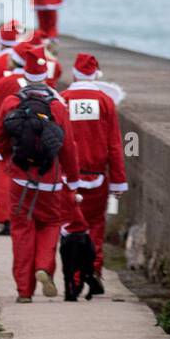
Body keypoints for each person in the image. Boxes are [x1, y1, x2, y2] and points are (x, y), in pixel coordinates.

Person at [0, 44, 81, 302]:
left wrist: (10, 158)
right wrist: (73, 180)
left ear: (24, 74)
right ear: (47, 74)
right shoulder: (58, 106)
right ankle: (44, 266)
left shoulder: (11, 102)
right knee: (51, 224)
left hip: (20, 177)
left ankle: (23, 290)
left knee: (21, 230)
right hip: (50, 180)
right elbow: (67, 147)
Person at [61, 53, 127, 292]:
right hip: (98, 175)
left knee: (70, 226)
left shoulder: (63, 99)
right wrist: (119, 180)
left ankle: (74, 278)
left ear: (74, 73)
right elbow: (115, 145)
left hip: (68, 178)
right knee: (96, 225)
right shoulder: (105, 102)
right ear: (96, 74)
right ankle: (94, 269)